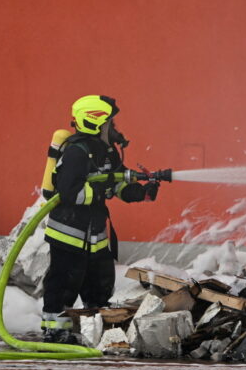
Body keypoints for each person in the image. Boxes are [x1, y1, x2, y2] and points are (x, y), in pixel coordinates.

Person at [40, 95, 159, 343]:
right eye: (109, 123)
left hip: (95, 233)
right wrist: (102, 190)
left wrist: (140, 192)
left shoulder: (107, 152)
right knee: (64, 281)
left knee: (100, 281)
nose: (113, 128)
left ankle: (95, 323)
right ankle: (55, 329)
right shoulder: (76, 152)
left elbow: (114, 183)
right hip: (69, 231)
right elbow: (70, 192)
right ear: (94, 123)